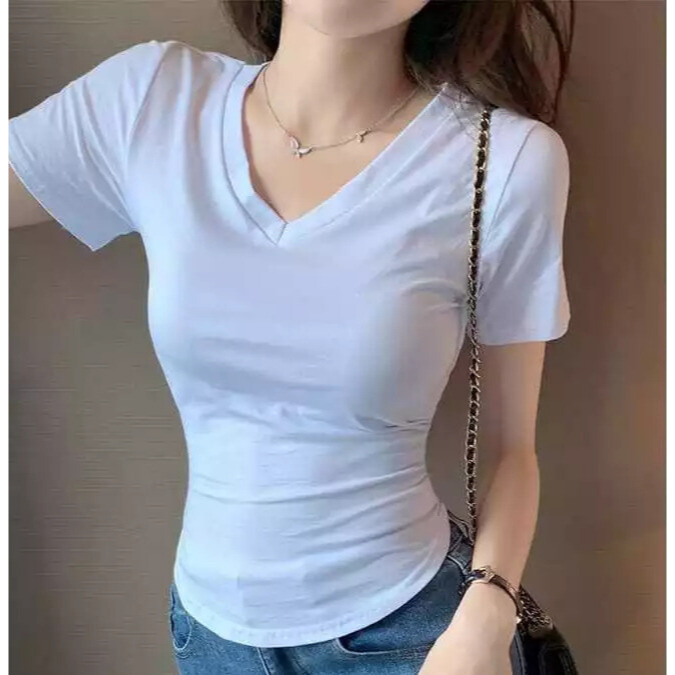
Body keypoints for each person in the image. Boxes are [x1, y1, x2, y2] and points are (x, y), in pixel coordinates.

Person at [8, 1, 575, 673]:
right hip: (208, 635)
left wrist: (486, 614)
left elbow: (513, 450)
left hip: (416, 638)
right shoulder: (154, 101)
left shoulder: (504, 161)